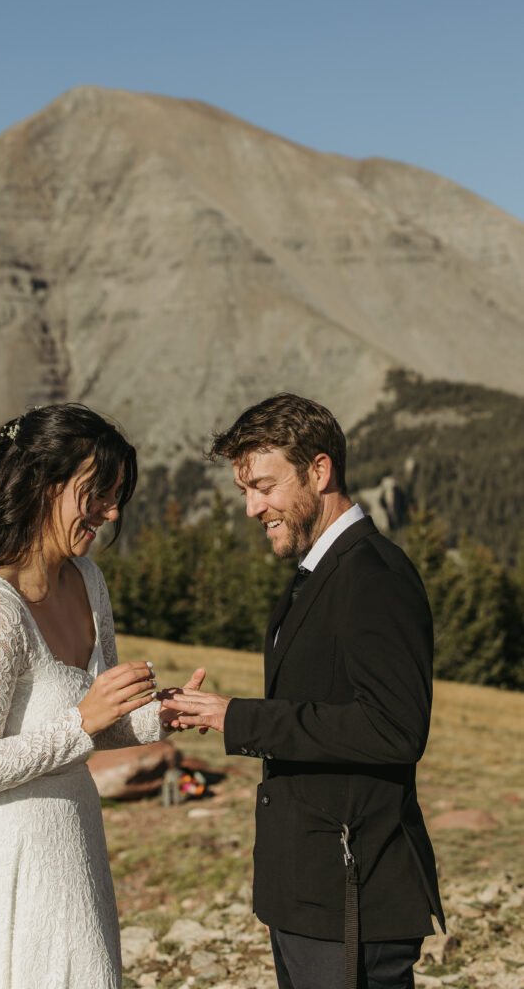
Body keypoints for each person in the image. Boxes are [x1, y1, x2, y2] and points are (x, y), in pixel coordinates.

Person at [0, 403, 204, 989]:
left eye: (117, 495)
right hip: (3, 864)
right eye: (97, 493)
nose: (112, 511)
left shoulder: (88, 581)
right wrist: (80, 722)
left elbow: (99, 721)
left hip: (72, 850)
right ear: (45, 485)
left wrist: (158, 717)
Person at [164, 393, 444, 989]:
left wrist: (238, 718)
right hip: (312, 896)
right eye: (244, 491)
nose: (250, 508)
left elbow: (395, 729)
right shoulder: (321, 572)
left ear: (319, 471)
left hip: (354, 895)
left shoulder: (373, 576)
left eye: (264, 486)